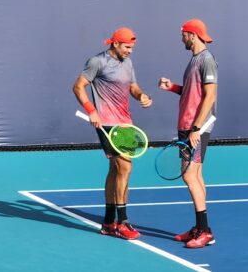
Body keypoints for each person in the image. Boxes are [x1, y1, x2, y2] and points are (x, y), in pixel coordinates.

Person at [73, 27, 152, 240]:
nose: (130, 51)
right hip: (107, 123)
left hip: (125, 123)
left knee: (116, 170)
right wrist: (91, 111)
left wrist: (142, 96)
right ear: (115, 43)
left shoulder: (128, 63)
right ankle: (122, 222)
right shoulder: (97, 62)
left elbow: (133, 87)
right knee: (124, 166)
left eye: (132, 47)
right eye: (127, 47)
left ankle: (108, 221)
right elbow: (78, 86)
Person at [158, 18, 218, 248]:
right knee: (197, 176)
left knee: (189, 176)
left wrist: (195, 128)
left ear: (192, 35)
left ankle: (204, 231)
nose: (181, 38)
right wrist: (172, 87)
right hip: (188, 126)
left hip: (195, 128)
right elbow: (193, 94)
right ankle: (200, 228)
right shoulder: (194, 61)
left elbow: (210, 96)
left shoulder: (206, 60)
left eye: (183, 34)